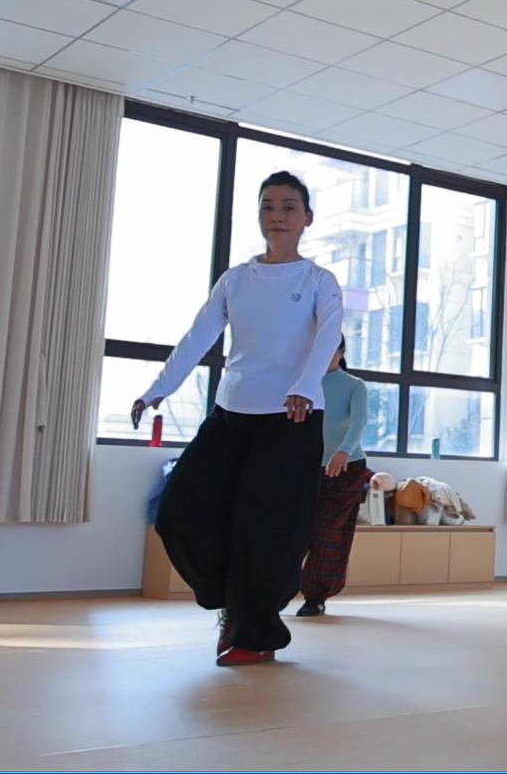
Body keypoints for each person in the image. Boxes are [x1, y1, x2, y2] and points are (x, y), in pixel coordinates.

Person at [136, 171, 343, 666]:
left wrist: (305, 386)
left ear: (307, 218)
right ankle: (232, 601)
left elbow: (329, 335)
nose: (277, 215)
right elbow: (197, 336)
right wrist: (158, 389)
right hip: (231, 413)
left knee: (268, 528)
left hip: (292, 418)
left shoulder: (318, 280)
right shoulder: (236, 279)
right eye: (268, 205)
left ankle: (255, 633)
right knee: (177, 512)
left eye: (289, 207)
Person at [296, 339, 371, 618]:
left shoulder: (354, 386)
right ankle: (277, 592)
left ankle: (316, 597)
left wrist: (344, 451)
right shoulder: (303, 382)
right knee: (296, 530)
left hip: (346, 468)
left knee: (328, 532)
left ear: (340, 354)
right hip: (308, 467)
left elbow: (359, 421)